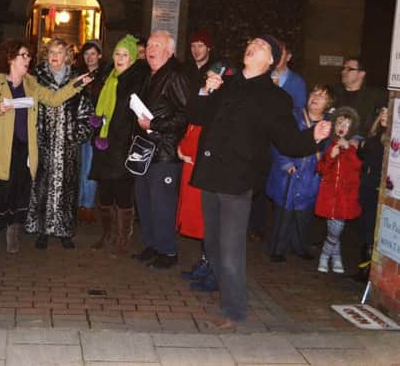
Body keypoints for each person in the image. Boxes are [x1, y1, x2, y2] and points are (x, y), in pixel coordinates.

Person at [186, 34, 331, 328]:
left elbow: (288, 140)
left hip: (238, 179)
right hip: (210, 173)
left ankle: (234, 310)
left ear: (270, 61)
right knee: (212, 244)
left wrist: (312, 138)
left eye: (262, 47)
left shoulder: (276, 98)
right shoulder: (227, 85)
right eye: (252, 43)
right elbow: (197, 115)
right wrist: (205, 90)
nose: (253, 46)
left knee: (231, 248)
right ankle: (221, 284)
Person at [0, 39, 93, 253]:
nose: (28, 59)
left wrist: (77, 85)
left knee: (18, 190)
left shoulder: (31, 83)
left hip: (22, 146)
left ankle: (12, 234)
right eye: (23, 55)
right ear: (11, 59)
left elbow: (54, 99)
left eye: (28, 56)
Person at [25, 38, 95, 249]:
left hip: (68, 147)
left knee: (67, 188)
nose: (55, 56)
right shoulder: (36, 77)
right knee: (43, 186)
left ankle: (64, 230)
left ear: (68, 56)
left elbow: (87, 114)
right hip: (43, 144)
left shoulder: (78, 80)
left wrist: (76, 136)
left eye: (59, 52)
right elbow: (30, 110)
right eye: (51, 52)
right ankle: (43, 230)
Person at [131, 30, 190, 269]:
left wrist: (154, 124)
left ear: (170, 51)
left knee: (162, 204)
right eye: (150, 45)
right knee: (144, 201)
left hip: (164, 153)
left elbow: (186, 115)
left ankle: (167, 251)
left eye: (157, 45)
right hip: (145, 151)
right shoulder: (151, 75)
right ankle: (152, 245)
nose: (151, 49)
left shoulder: (175, 76)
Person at [88, 34, 150, 253]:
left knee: (123, 193)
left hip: (123, 145)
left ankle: (123, 239)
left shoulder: (136, 80)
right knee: (104, 193)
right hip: (104, 143)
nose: (120, 58)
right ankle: (107, 234)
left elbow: (136, 109)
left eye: (125, 55)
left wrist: (122, 78)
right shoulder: (108, 77)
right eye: (117, 54)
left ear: (132, 59)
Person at [178, 62, 234, 291]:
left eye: (214, 79)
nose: (209, 82)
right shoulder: (207, 100)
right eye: (207, 78)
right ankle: (205, 262)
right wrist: (182, 147)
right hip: (200, 168)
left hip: (217, 172)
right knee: (204, 223)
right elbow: (192, 120)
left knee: (215, 226)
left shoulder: (226, 105)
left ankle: (216, 271)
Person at [266, 84, 335, 263]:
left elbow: (330, 152)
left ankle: (299, 247)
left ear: (328, 104)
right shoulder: (292, 117)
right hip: (288, 174)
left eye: (322, 95)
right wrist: (286, 162)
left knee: (303, 215)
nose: (316, 97)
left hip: (310, 176)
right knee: (284, 213)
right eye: (314, 93)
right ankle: (277, 249)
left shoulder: (330, 125)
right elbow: (276, 141)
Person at [247, 39, 308, 242]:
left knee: (277, 183)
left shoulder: (297, 82)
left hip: (281, 139)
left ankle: (276, 229)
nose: (277, 56)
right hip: (261, 139)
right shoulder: (262, 75)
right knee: (257, 179)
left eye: (281, 53)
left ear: (288, 57)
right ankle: (255, 224)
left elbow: (298, 111)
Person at [315, 106, 362, 274]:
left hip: (344, 198)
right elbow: (321, 169)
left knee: (335, 232)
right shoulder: (329, 145)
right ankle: (337, 259)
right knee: (333, 230)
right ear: (334, 125)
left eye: (347, 124)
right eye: (340, 122)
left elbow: (357, 167)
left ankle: (324, 256)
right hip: (329, 197)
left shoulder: (354, 148)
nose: (342, 126)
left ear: (351, 129)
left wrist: (348, 149)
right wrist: (330, 157)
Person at [355, 106, 387, 281]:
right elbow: (363, 155)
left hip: (377, 189)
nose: (383, 115)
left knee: (372, 229)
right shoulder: (375, 136)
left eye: (388, 112)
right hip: (367, 187)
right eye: (382, 112)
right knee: (366, 228)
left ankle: (368, 271)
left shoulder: (389, 140)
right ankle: (364, 268)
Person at [78, 39, 106, 224]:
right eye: (86, 53)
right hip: (78, 126)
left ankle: (87, 205)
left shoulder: (104, 77)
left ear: (100, 56)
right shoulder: (79, 74)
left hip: (94, 128)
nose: (89, 57)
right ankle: (80, 203)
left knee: (89, 166)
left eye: (93, 53)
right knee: (80, 166)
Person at [334, 57, 387, 137]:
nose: (343, 72)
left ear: (361, 74)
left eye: (349, 69)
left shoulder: (375, 96)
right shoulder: (334, 93)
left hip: (360, 145)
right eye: (343, 68)